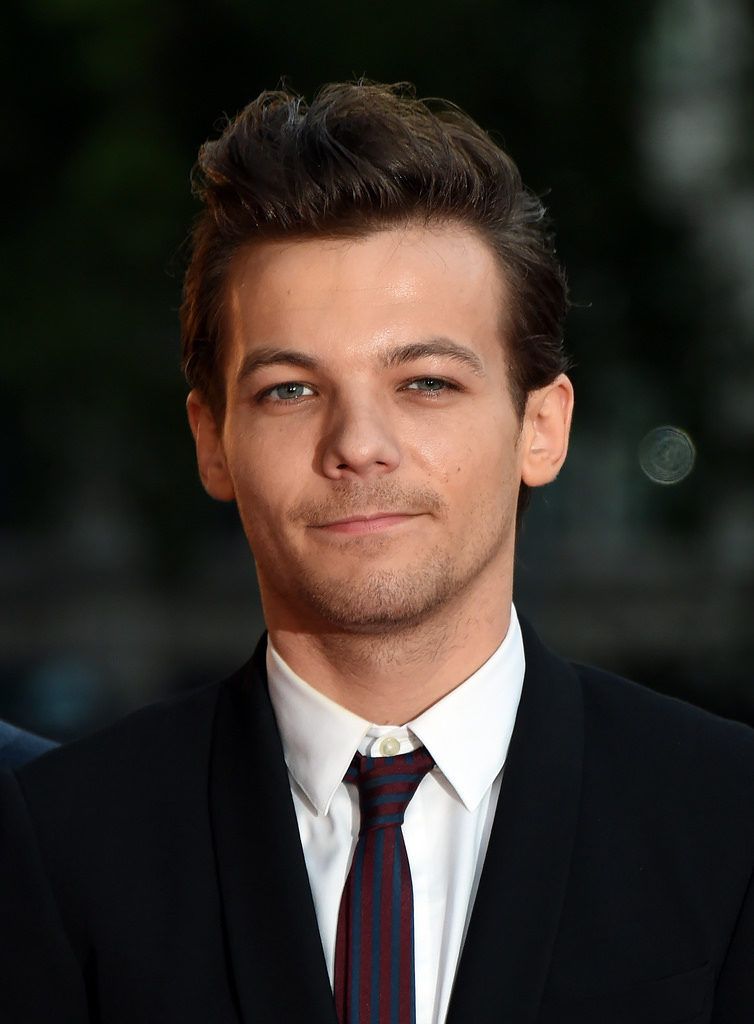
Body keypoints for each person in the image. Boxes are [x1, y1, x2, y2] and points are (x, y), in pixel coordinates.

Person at [0, 81, 752, 1024]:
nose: (359, 442)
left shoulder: (729, 821)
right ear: (210, 440)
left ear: (542, 428)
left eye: (426, 382)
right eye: (288, 390)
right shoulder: (64, 841)